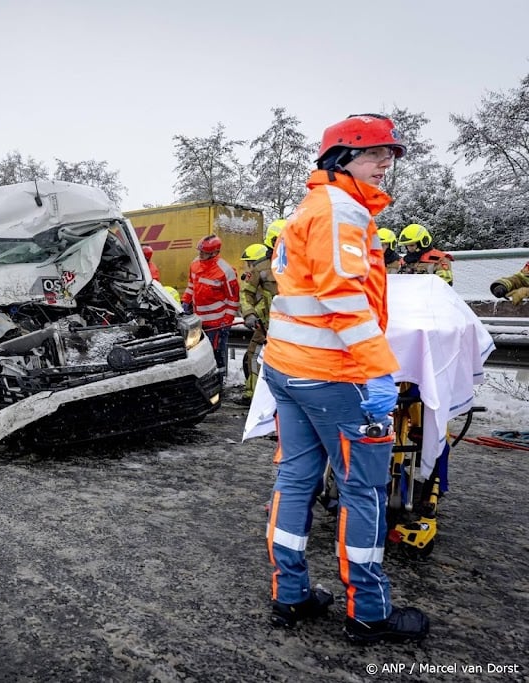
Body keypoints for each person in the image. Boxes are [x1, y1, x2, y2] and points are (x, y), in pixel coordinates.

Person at [263, 113, 429, 643]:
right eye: (376, 152)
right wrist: (379, 371)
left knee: (294, 482)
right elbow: (343, 298)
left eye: (391, 154)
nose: (387, 163)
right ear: (341, 158)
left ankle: (289, 596)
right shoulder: (341, 211)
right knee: (364, 492)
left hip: (290, 370)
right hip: (336, 378)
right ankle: (369, 612)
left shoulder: (312, 207)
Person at [181, 234, 239, 379]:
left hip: (217, 324)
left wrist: (227, 321)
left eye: (204, 252)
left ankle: (220, 381)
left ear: (214, 253)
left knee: (217, 354)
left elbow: (233, 299)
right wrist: (185, 302)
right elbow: (191, 286)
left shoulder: (225, 271)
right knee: (194, 351)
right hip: (197, 321)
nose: (200, 254)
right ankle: (200, 379)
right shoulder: (195, 264)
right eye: (199, 251)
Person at [238, 243, 277, 403]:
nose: (249, 267)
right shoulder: (262, 270)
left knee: (254, 357)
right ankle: (254, 394)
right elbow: (246, 294)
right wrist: (250, 314)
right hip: (266, 325)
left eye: (250, 263)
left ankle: (257, 395)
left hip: (273, 325)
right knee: (253, 357)